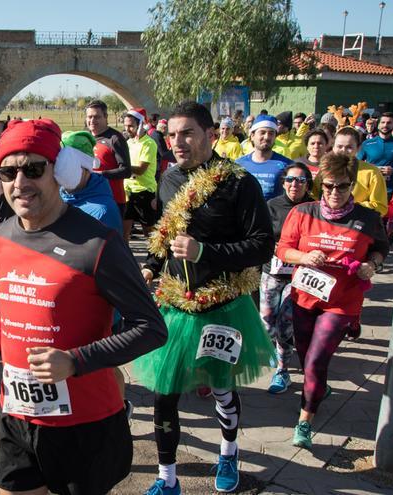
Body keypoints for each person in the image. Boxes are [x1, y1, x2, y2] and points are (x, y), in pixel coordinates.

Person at [0, 119, 167, 495]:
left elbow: (151, 327)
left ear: (60, 171)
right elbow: (17, 315)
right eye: (8, 171)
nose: (20, 182)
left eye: (34, 168)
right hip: (17, 413)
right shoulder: (1, 238)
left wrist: (75, 361)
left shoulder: (97, 243)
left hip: (84, 424)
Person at [135, 101, 276, 495]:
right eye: (172, 135)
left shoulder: (238, 183)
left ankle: (228, 453)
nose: (177, 142)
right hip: (175, 306)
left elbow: (263, 245)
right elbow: (165, 237)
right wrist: (150, 266)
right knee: (164, 397)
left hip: (223, 309)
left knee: (223, 389)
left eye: (187, 134)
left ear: (210, 135)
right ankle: (167, 480)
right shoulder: (168, 180)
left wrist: (205, 252)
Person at [276, 152, 388, 449]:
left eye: (342, 186)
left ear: (353, 185)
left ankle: (304, 422)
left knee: (315, 361)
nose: (334, 193)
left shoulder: (367, 218)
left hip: (341, 303)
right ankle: (318, 388)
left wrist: (372, 265)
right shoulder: (302, 213)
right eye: (328, 186)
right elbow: (283, 249)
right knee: (305, 356)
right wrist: (304, 256)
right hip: (304, 297)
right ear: (319, 186)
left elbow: (381, 248)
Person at [260, 162, 314, 395]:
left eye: (300, 180)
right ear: (283, 183)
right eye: (290, 180)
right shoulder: (271, 206)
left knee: (285, 324)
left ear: (307, 184)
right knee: (267, 323)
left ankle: (282, 371)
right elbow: (260, 236)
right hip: (272, 271)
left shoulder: (314, 209)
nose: (295, 185)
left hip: (299, 275)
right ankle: (277, 353)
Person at [313, 127, 389, 217]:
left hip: (357, 223)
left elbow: (380, 207)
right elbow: (314, 196)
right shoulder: (325, 168)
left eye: (349, 147)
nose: (343, 151)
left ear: (358, 148)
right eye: (339, 146)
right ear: (333, 146)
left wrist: (348, 207)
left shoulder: (372, 172)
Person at [85, 100, 132, 216]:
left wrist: (100, 174)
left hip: (113, 201)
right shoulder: (85, 138)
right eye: (89, 117)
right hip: (91, 199)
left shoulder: (115, 138)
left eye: (96, 117)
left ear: (105, 117)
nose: (92, 121)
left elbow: (126, 171)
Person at [235, 114, 291, 201]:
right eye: (262, 132)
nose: (267, 137)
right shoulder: (239, 164)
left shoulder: (287, 165)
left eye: (271, 133)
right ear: (252, 136)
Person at [123, 107, 159, 239]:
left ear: (140, 125)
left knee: (149, 235)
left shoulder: (149, 144)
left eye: (131, 126)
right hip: (127, 192)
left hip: (144, 193)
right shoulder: (128, 142)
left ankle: (156, 259)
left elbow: (141, 170)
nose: (127, 130)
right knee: (124, 234)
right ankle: (125, 260)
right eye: (125, 126)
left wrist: (123, 167)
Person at [357, 111, 393, 197]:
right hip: (370, 190)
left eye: (389, 123)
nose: (385, 125)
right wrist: (372, 169)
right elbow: (357, 164)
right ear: (378, 125)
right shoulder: (366, 144)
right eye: (383, 122)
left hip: (392, 193)